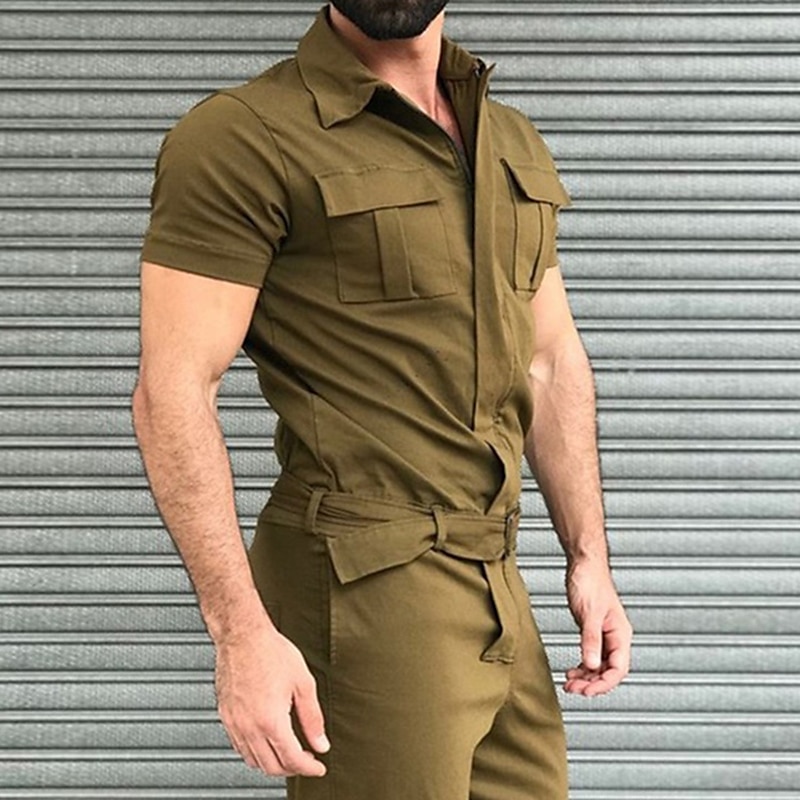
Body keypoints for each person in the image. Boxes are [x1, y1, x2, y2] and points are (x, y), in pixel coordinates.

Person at [132, 2, 633, 798]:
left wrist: (588, 557)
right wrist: (239, 632)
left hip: (499, 583)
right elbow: (173, 390)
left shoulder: (508, 139)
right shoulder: (243, 136)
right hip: (364, 586)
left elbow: (549, 357)